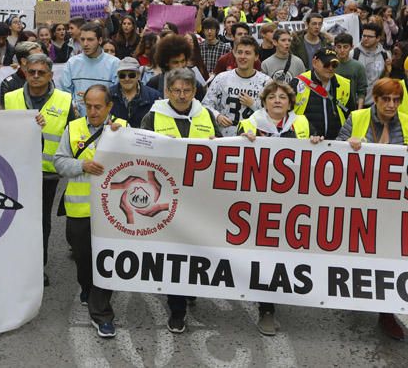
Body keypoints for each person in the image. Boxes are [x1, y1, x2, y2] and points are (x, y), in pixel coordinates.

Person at [237, 81, 323, 335]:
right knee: (264, 251)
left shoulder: (303, 123)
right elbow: (230, 151)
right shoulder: (251, 123)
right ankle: (266, 308)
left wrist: (317, 140)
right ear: (263, 101)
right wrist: (242, 140)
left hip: (293, 199)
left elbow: (320, 149)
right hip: (257, 197)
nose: (277, 100)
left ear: (290, 102)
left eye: (282, 97)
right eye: (272, 96)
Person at [140, 68, 222, 333]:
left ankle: (190, 288)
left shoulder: (206, 114)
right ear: (167, 91)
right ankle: (177, 310)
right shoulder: (152, 116)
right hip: (167, 197)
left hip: (201, 197)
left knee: (197, 250)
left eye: (187, 90)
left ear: (194, 91)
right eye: (176, 90)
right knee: (175, 253)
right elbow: (139, 150)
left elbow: (225, 147)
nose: (182, 95)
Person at [337, 77, 408, 340]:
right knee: (359, 250)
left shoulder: (406, 121)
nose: (391, 105)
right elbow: (334, 152)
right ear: (375, 99)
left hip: (395, 203)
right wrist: (349, 146)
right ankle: (356, 292)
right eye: (386, 99)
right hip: (360, 199)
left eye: (396, 100)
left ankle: (387, 314)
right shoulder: (357, 117)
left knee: (391, 256)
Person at [54, 85, 126, 339]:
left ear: (109, 107)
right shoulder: (73, 129)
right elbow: (59, 162)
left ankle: (102, 314)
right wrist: (81, 164)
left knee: (104, 263)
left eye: (98, 107)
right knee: (84, 259)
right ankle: (86, 287)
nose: (93, 112)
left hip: (112, 213)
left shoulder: (122, 128)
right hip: (79, 209)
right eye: (89, 106)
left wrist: (123, 138)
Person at [4, 54, 75, 285]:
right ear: (24, 71)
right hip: (14, 173)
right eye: (31, 71)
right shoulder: (9, 98)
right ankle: (13, 263)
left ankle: (38, 266)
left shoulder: (65, 101)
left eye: (41, 72)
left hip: (47, 175)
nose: (35, 76)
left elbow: (74, 134)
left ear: (51, 75)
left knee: (41, 222)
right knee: (13, 220)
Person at [203, 36, 271, 137]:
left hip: (253, 140)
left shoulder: (266, 82)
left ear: (256, 56)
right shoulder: (221, 78)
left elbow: (274, 114)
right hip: (224, 139)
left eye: (247, 53)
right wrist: (217, 116)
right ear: (234, 53)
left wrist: (253, 104)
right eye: (239, 52)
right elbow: (205, 105)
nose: (242, 56)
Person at [59, 22, 120, 116]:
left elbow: (117, 96)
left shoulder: (114, 64)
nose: (85, 44)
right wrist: (73, 106)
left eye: (90, 40)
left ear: (100, 40)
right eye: (82, 39)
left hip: (106, 122)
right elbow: (64, 93)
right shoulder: (72, 63)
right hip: (78, 120)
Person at [146, 34, 206, 100]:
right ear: (166, 63)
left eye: (183, 61)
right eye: (175, 62)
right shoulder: (155, 83)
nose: (180, 66)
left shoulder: (195, 83)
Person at [110, 57, 161, 128]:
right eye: (122, 75)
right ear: (118, 76)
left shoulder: (154, 96)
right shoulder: (108, 95)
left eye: (131, 75)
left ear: (138, 75)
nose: (127, 79)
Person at [354, 23, 389, 106]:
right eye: (364, 36)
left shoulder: (385, 55)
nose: (366, 39)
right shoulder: (354, 53)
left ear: (378, 38)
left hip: (375, 103)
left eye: (370, 37)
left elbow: (385, 79)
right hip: (356, 103)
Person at [334, 33, 367, 110]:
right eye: (339, 47)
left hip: (351, 107)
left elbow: (361, 92)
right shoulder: (330, 65)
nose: (342, 50)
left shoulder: (358, 67)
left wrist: (358, 111)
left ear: (351, 47)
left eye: (345, 47)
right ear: (334, 47)